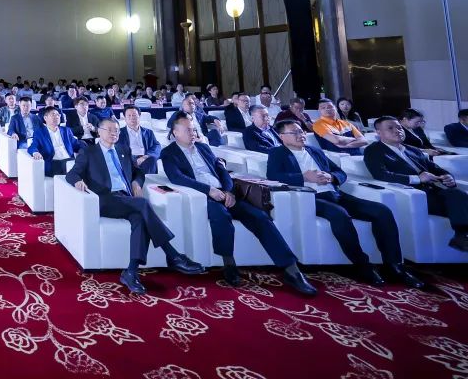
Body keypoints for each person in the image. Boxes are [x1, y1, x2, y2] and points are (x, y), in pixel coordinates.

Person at [160, 114, 317, 295]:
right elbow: (177, 177)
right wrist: (208, 190)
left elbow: (222, 171)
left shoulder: (203, 147)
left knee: (260, 217)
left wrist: (229, 191)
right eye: (188, 130)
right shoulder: (169, 153)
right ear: (175, 132)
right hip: (203, 196)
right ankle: (229, 264)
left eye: (194, 129)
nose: (193, 133)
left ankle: (291, 270)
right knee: (221, 216)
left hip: (225, 193)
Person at [268, 119, 423, 288]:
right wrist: (304, 177)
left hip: (335, 194)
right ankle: (362, 265)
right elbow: (273, 176)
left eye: (301, 131)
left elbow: (340, 173)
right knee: (340, 215)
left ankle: (394, 265)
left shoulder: (314, 151)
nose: (301, 135)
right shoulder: (277, 153)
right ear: (282, 136)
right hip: (311, 198)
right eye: (295, 132)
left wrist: (331, 177)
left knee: (382, 211)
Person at [66, 116, 203, 295]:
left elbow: (138, 172)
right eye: (109, 130)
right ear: (99, 132)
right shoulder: (89, 152)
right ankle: (173, 255)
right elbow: (71, 174)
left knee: (140, 218)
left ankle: (131, 271)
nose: (114, 133)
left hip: (127, 199)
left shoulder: (123, 149)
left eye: (116, 130)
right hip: (105, 199)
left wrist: (137, 183)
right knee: (142, 204)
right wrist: (77, 181)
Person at [364, 116, 468, 253]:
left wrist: (448, 176)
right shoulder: (373, 150)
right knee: (457, 196)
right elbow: (381, 174)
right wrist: (417, 179)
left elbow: (434, 168)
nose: (397, 131)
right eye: (390, 128)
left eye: (399, 127)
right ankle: (462, 235)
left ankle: (461, 236)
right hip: (412, 194)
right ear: (379, 132)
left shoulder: (413, 150)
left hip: (434, 191)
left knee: (457, 195)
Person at [27, 107, 81, 176]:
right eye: (53, 114)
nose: (57, 117)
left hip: (69, 160)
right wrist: (35, 152)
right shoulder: (40, 133)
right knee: (73, 173)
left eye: (58, 115)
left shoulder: (66, 130)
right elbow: (33, 146)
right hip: (53, 162)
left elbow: (76, 144)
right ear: (45, 118)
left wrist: (86, 150)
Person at [120, 106, 161, 174]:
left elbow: (156, 145)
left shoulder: (148, 132)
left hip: (145, 158)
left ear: (139, 116)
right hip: (128, 159)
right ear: (125, 118)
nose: (132, 118)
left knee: (152, 159)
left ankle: (148, 180)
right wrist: (133, 159)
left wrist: (146, 156)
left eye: (134, 115)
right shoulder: (119, 133)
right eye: (129, 116)